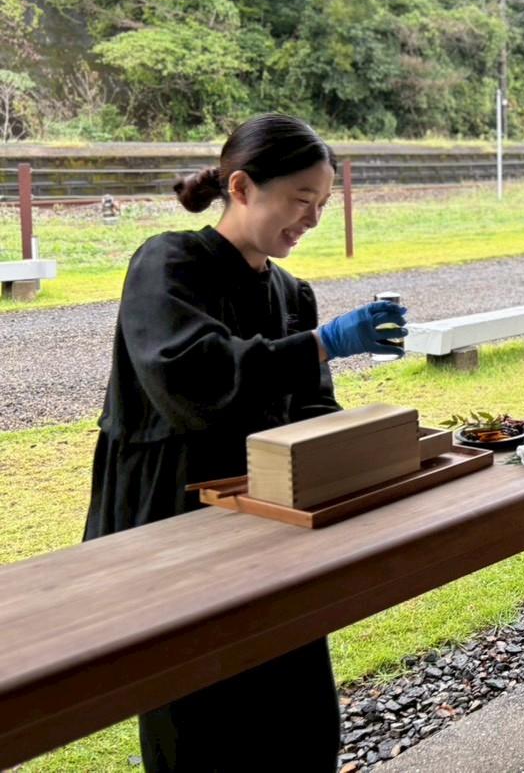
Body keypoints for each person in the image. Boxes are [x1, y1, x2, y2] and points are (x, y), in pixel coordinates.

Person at [82, 113, 408, 772]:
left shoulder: (293, 294)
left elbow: (311, 408)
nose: (312, 218)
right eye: (300, 200)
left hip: (274, 522)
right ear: (241, 187)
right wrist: (323, 345)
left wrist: (366, 445)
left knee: (301, 722)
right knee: (198, 726)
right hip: (169, 522)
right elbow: (193, 380)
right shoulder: (167, 263)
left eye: (322, 204)